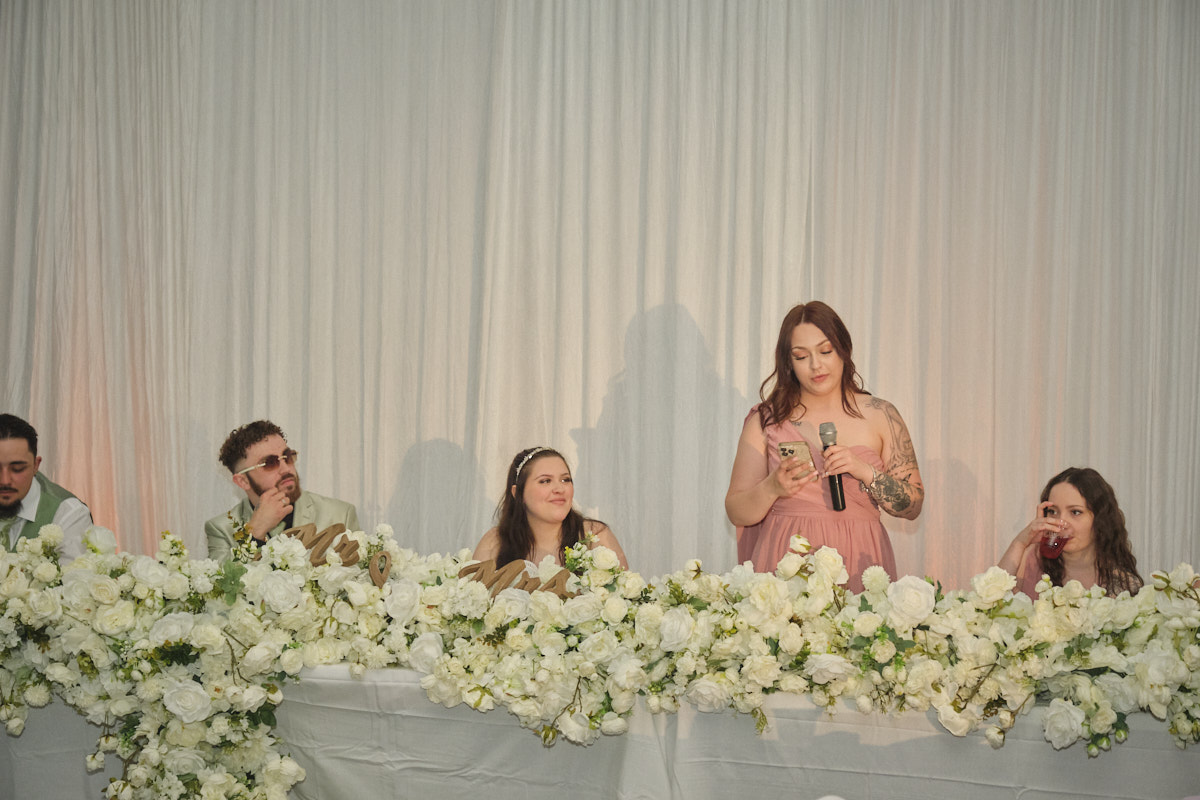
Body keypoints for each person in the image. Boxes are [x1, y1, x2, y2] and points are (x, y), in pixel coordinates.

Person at [725, 302, 924, 591]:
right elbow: (736, 510)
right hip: (787, 569)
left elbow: (913, 506)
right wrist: (772, 488)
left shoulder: (881, 414)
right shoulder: (767, 419)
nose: (816, 365)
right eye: (801, 356)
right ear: (788, 362)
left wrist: (864, 471)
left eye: (825, 351)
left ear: (843, 349)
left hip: (861, 561)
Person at [205, 420, 359, 561]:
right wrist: (255, 532)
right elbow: (222, 581)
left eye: (287, 457)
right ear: (243, 481)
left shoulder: (340, 515)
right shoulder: (221, 529)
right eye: (269, 463)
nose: (286, 469)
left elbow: (359, 577)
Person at [472, 446, 628, 570]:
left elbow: (623, 596)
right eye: (545, 481)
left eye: (565, 480)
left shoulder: (594, 536)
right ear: (517, 492)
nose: (559, 489)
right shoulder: (495, 542)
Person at [998, 466, 1142, 597]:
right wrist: (1020, 542)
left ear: (1100, 519)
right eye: (1053, 511)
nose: (1061, 522)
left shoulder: (1122, 583)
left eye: (1075, 512)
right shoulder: (1030, 558)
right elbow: (991, 602)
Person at [0, 413, 93, 563]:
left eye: (17, 469)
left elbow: (73, 575)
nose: (4, 481)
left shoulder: (68, 513)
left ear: (36, 465)